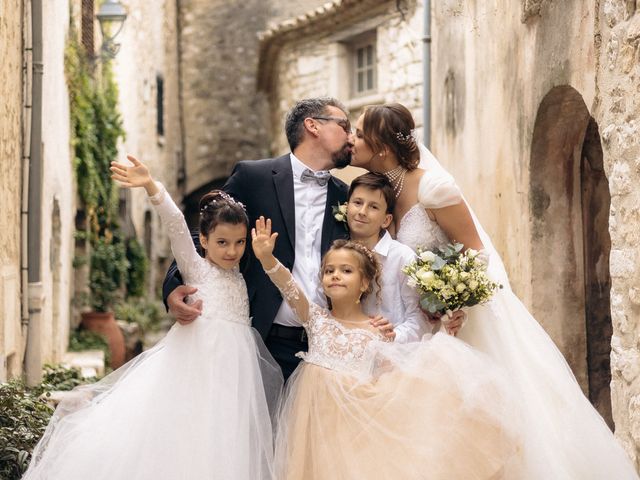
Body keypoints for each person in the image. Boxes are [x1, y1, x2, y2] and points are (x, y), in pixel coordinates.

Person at [351, 102, 640, 479]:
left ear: (382, 147)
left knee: (488, 417)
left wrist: (451, 302)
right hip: (418, 325)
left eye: (359, 134)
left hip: (463, 321)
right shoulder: (381, 194)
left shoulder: (434, 188)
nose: (352, 141)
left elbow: (476, 251)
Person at [22, 156, 283, 480]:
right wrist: (151, 186)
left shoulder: (241, 273)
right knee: (188, 431)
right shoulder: (195, 266)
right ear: (203, 240)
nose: (231, 251)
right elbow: (174, 221)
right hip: (195, 365)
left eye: (239, 243)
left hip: (236, 368)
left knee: (227, 433)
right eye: (222, 243)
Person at [251, 217, 521, 479]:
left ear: (365, 283)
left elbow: (399, 375)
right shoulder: (316, 318)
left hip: (356, 424)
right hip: (313, 421)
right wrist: (267, 259)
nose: (336, 276)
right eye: (329, 271)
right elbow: (290, 288)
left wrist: (446, 338)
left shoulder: (378, 331)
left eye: (346, 271)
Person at [162, 97, 392, 379]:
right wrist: (174, 283)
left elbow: (376, 252)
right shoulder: (253, 177)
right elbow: (207, 229)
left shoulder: (347, 197)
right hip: (262, 339)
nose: (351, 137)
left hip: (326, 347)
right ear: (313, 126)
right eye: (344, 126)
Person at [344, 172, 429, 341]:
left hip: (395, 354)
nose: (362, 212)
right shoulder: (338, 252)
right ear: (347, 207)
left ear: (386, 220)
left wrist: (393, 336)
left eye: (373, 207)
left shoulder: (403, 258)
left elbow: (420, 318)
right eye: (358, 203)